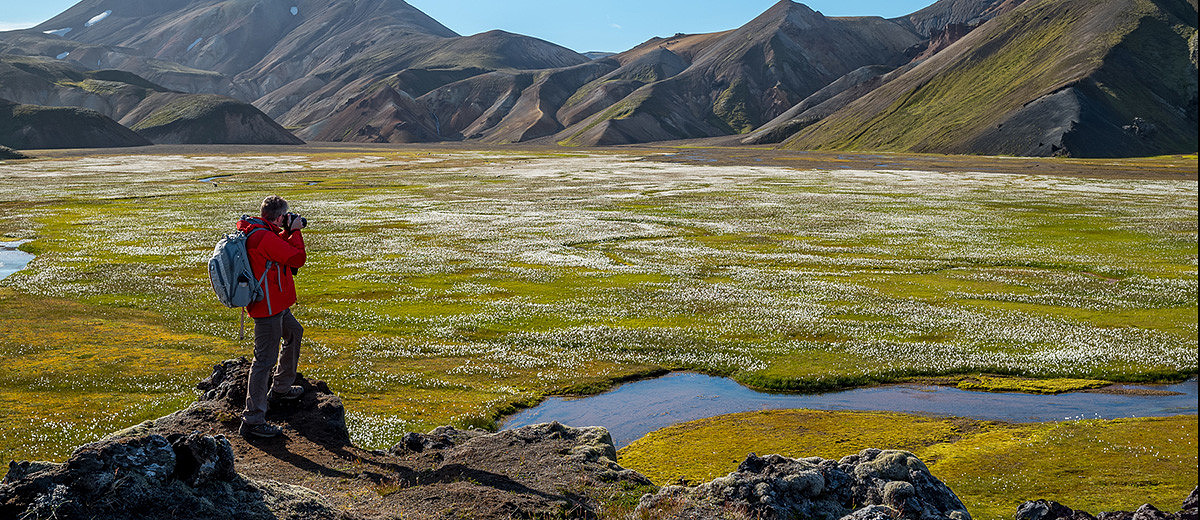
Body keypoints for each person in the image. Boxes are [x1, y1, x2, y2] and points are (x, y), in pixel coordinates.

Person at [237, 195, 307, 438]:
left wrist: (286, 231)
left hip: (274, 303)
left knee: (294, 332)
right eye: (285, 217)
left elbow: (277, 250)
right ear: (279, 218)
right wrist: (295, 231)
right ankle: (253, 420)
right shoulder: (264, 236)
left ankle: (281, 388)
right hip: (267, 308)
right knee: (263, 362)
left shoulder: (259, 231)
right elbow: (297, 258)